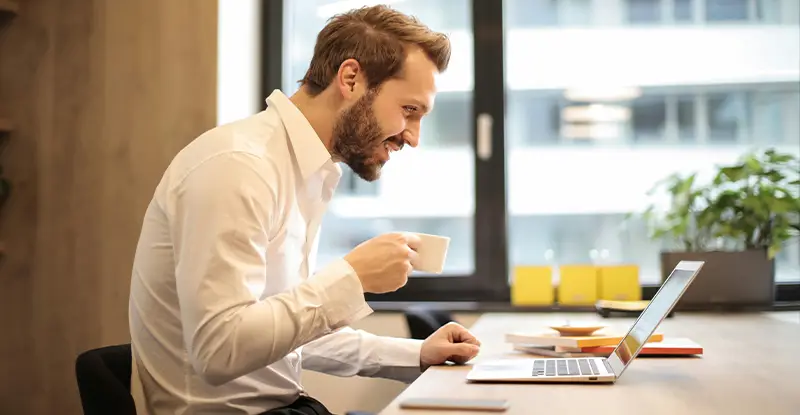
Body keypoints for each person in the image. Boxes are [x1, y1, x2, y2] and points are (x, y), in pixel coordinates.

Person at [128, 5, 481, 415]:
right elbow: (219, 350)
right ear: (350, 79)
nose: (414, 138)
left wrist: (417, 354)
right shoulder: (238, 166)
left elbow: (283, 333)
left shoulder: (306, 170)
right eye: (409, 111)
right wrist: (351, 278)